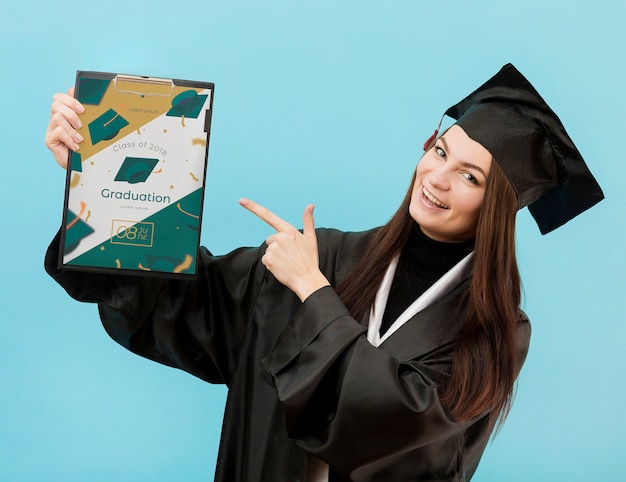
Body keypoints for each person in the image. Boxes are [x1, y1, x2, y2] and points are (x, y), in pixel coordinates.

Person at [44, 64, 604, 481]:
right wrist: (97, 183)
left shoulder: (495, 330)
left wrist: (314, 294)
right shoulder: (327, 255)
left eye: (470, 177)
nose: (436, 178)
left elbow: (406, 432)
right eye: (439, 151)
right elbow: (179, 306)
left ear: (497, 209)